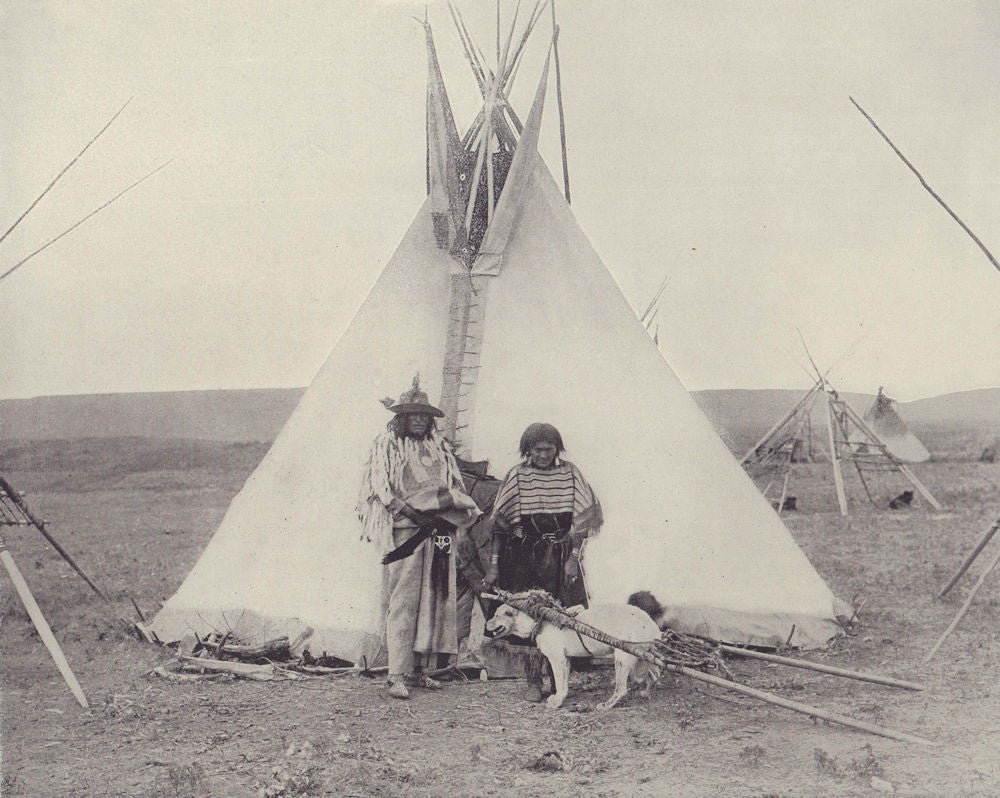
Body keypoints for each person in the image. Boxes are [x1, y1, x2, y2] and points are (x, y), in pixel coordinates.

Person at [357, 375, 480, 699]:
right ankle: (396, 674)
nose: (418, 420)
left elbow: (452, 484)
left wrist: (449, 511)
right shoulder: (387, 444)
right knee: (404, 598)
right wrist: (408, 511)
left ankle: (420, 670)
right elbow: (380, 486)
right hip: (407, 531)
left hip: (440, 531)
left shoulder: (438, 447)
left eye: (423, 415)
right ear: (400, 417)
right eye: (412, 414)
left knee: (436, 596)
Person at [484, 422, 603, 701]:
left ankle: (557, 679)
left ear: (557, 449)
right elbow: (500, 527)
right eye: (537, 450)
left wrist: (573, 558)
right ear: (527, 450)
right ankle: (533, 682)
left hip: (560, 557)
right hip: (522, 559)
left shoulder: (570, 474)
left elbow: (583, 523)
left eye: (548, 449)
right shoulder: (517, 476)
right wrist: (494, 565)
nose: (543, 455)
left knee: (560, 617)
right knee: (524, 614)